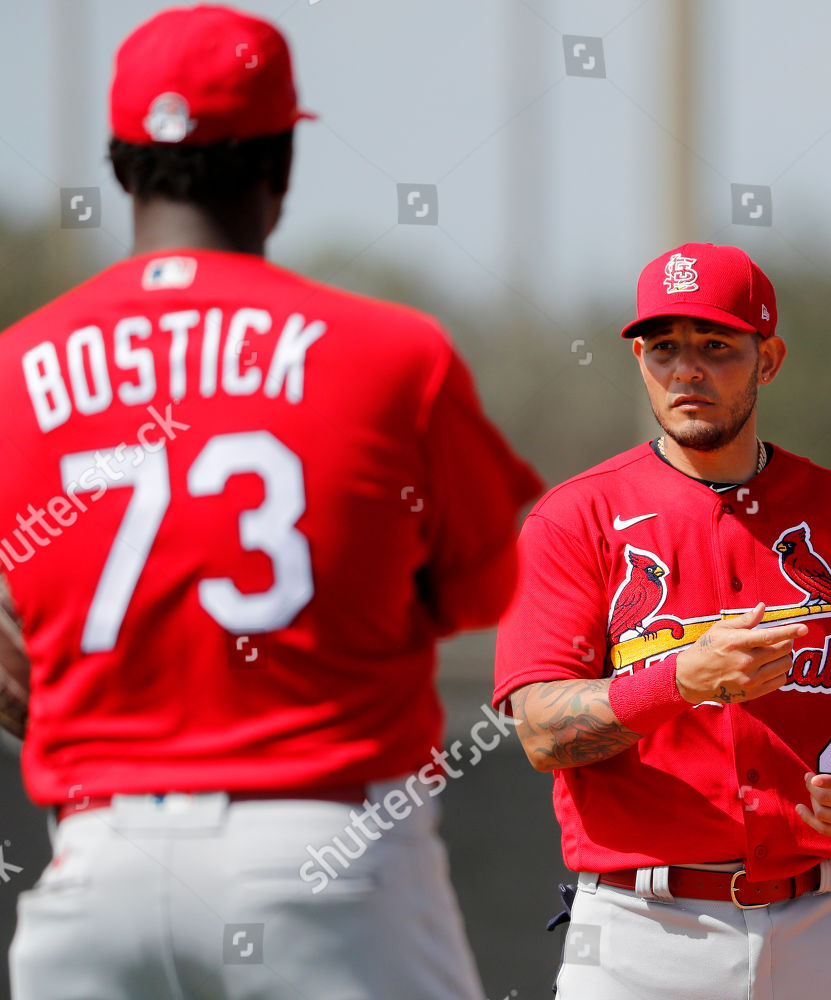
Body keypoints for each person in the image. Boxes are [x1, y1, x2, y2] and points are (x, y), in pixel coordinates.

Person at [0, 7, 541, 998]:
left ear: (121, 167)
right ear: (280, 165)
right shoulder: (390, 356)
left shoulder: (14, 369)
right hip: (325, 858)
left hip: (93, 871)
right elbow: (487, 584)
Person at [493, 242, 831, 999]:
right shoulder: (577, 519)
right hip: (643, 932)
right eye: (663, 348)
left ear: (767, 359)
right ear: (640, 359)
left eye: (715, 346)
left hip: (830, 923)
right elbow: (541, 731)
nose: (687, 371)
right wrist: (678, 681)